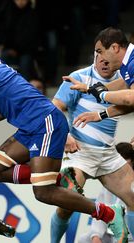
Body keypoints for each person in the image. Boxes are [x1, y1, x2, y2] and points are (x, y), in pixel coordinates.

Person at [0, 40, 128, 240]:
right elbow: (6, 104)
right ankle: (59, 179)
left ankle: (108, 213)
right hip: (31, 127)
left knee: (43, 192)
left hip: (45, 124)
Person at [50, 52, 133, 243]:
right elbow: (54, 108)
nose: (104, 62)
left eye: (108, 58)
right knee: (66, 204)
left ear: (117, 57)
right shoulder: (78, 77)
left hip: (108, 154)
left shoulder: (124, 80)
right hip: (80, 152)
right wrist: (65, 135)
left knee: (133, 198)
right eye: (99, 56)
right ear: (94, 56)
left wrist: (101, 114)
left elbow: (129, 103)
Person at [67, 27, 134, 237]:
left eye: (100, 51)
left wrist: (100, 93)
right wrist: (91, 90)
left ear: (115, 47)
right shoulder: (128, 67)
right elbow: (120, 89)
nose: (100, 58)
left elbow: (130, 99)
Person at [78, 142, 134, 243]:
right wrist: (96, 236)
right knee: (85, 239)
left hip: (129, 236)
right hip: (113, 235)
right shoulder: (111, 183)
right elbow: (102, 209)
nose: (120, 169)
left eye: (125, 164)